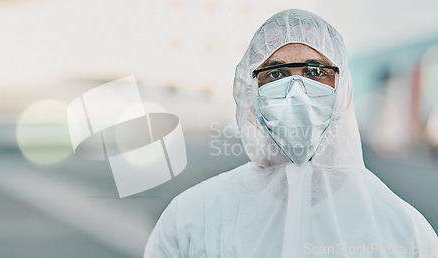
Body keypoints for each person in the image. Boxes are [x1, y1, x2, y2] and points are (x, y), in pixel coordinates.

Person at [144, 9, 438, 257]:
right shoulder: (191, 220)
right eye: (275, 74)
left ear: (343, 88)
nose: (296, 92)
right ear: (250, 92)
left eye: (315, 71)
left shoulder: (403, 232)